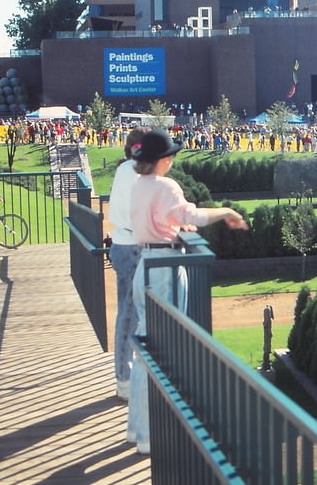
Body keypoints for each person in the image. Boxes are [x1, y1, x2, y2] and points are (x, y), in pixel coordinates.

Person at [125, 128, 248, 455]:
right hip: (163, 266)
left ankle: (139, 430)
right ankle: (153, 436)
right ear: (163, 159)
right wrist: (226, 212)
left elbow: (166, 219)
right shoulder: (165, 185)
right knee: (163, 350)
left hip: (146, 264)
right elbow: (190, 214)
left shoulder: (139, 185)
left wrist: (177, 226)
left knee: (145, 347)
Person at [106, 126, 148, 401]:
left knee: (129, 315)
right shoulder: (135, 173)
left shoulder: (124, 170)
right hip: (131, 247)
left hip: (124, 245)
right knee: (129, 317)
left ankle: (126, 376)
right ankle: (124, 380)